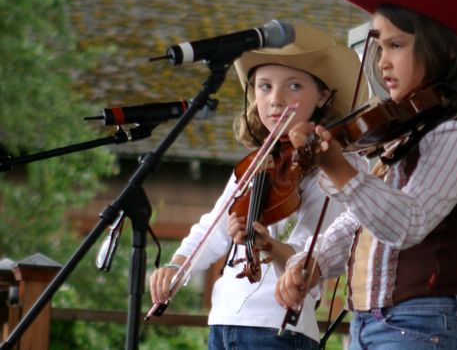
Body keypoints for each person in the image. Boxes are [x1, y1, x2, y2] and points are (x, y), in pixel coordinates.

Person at [275, 0, 457, 349]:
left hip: (422, 322)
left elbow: (409, 222)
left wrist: (338, 169)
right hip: (372, 323)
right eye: (380, 46)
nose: (382, 62)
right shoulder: (410, 130)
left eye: (397, 45)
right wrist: (316, 260)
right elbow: (362, 221)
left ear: (446, 50)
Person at [149, 23, 367, 350]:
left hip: (278, 326)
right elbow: (215, 226)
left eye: (293, 86)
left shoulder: (329, 165)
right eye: (264, 87)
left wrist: (269, 246)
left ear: (323, 95)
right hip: (224, 320)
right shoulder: (255, 163)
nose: (276, 100)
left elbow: (314, 256)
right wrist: (177, 265)